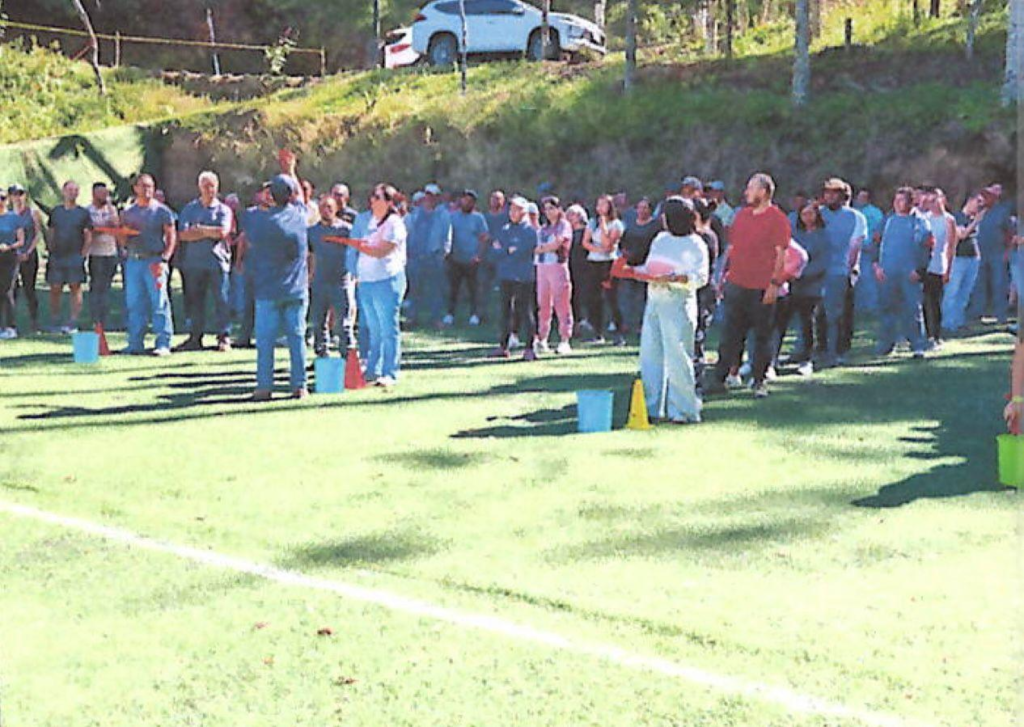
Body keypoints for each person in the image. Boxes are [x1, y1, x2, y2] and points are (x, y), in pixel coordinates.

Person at [617, 196, 708, 424]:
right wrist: (633, 272)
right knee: (650, 356)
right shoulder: (660, 239)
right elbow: (651, 267)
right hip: (654, 302)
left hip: (679, 304)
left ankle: (683, 410)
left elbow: (701, 277)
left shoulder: (695, 243)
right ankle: (651, 407)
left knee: (678, 357)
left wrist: (676, 278)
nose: (662, 219)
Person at [704, 173, 791, 399]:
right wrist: (723, 276)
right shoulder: (741, 216)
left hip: (761, 287)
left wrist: (774, 284)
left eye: (751, 188)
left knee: (762, 336)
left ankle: (759, 380)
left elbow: (782, 254)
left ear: (764, 191)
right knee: (729, 335)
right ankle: (720, 378)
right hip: (736, 284)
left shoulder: (778, 218)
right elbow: (732, 248)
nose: (746, 192)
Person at [244, 174, 310, 400]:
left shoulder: (259, 221)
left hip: (268, 289)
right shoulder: (301, 216)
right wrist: (291, 170)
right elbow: (300, 199)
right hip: (296, 288)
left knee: (265, 342)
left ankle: (264, 387)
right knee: (297, 338)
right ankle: (300, 385)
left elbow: (250, 239)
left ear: (271, 196)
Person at [352, 183, 408, 387]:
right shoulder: (370, 221)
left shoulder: (395, 223)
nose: (372, 200)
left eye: (377, 197)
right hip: (367, 281)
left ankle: (390, 372)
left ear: (389, 202)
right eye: (372, 196)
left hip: (387, 281)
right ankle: (373, 369)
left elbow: (382, 250)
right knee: (373, 329)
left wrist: (358, 245)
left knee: (388, 329)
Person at [175, 171, 234, 352]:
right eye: (206, 186)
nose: (209, 189)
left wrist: (199, 229)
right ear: (199, 187)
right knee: (195, 301)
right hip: (194, 263)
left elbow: (222, 232)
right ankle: (195, 337)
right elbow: (183, 235)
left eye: (212, 186)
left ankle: (224, 336)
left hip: (218, 262)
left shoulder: (224, 210)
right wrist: (209, 232)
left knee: (221, 300)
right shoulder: (190, 209)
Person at [120, 174, 176, 356]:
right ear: (135, 188)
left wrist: (164, 259)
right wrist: (122, 233)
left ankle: (163, 343)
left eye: (150, 186)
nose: (147, 190)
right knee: (134, 303)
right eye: (143, 186)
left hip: (155, 261)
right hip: (134, 261)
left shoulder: (162, 211)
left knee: (159, 302)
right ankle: (135, 343)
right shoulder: (128, 212)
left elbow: (171, 236)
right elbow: (123, 240)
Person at [872, 187, 932, 358]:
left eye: (902, 200)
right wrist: (876, 266)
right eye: (896, 200)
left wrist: (920, 270)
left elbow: (928, 248)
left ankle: (917, 345)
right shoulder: (887, 221)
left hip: (910, 274)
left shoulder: (921, 222)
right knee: (887, 309)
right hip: (887, 273)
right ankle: (886, 345)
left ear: (911, 202)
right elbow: (875, 243)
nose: (897, 203)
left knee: (912, 310)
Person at [818, 178, 867, 367]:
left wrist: (851, 271)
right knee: (819, 314)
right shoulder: (818, 214)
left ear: (843, 196)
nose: (829, 196)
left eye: (834, 193)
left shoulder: (856, 217)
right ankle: (820, 348)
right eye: (827, 192)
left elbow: (855, 246)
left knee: (839, 315)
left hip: (841, 271)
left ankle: (838, 350)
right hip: (819, 271)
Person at [308, 195, 358, 357]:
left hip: (341, 282)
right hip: (319, 282)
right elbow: (310, 255)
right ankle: (322, 356)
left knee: (344, 324)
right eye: (323, 207)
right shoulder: (312, 232)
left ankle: (348, 357)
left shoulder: (346, 230)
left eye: (329, 207)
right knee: (318, 323)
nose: (326, 210)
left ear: (336, 209)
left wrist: (355, 275)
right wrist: (309, 277)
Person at [490, 196, 537, 360]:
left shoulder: (530, 231)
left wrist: (507, 250)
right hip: (506, 275)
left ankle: (530, 348)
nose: (512, 213)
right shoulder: (505, 229)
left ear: (523, 212)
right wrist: (507, 250)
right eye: (511, 209)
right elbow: (495, 251)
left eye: (516, 210)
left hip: (523, 277)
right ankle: (503, 346)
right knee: (505, 311)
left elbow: (521, 252)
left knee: (525, 311)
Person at [46, 180, 93, 333]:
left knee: (75, 287)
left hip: (75, 256)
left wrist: (83, 254)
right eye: (70, 190)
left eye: (75, 190)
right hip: (57, 256)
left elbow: (88, 236)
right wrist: (50, 250)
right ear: (63, 191)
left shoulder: (83, 213)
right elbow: (51, 232)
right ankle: (55, 320)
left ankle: (73, 321)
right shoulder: (56, 212)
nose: (72, 193)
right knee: (55, 287)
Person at [581, 194, 625, 345]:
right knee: (594, 298)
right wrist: (598, 250)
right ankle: (597, 333)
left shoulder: (616, 224)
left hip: (609, 263)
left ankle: (618, 333)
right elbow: (585, 242)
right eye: (598, 204)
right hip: (594, 262)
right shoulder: (592, 222)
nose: (599, 208)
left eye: (603, 204)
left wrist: (604, 225)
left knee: (611, 298)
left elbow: (608, 244)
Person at [405, 183, 451, 329]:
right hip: (415, 257)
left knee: (435, 290)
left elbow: (447, 237)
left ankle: (436, 319)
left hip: (434, 258)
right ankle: (412, 317)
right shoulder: (415, 214)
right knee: (414, 290)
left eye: (432, 195)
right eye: (427, 195)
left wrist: (443, 254)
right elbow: (407, 232)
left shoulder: (443, 214)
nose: (429, 198)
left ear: (437, 197)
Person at [969, 184, 1014, 324]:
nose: (984, 198)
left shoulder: (1002, 212)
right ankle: (977, 313)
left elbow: (1010, 233)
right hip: (979, 253)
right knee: (978, 284)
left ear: (994, 198)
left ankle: (1001, 315)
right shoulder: (978, 211)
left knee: (999, 284)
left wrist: (1008, 252)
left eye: (988, 196)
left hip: (997, 254)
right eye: (983, 195)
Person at [535, 196, 573, 354]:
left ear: (558, 209)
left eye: (552, 208)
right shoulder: (543, 228)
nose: (549, 212)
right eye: (546, 209)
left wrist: (542, 248)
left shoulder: (564, 225)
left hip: (557, 266)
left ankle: (564, 339)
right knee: (543, 304)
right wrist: (543, 249)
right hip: (542, 267)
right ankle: (542, 338)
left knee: (562, 303)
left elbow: (558, 243)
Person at [942, 193, 985, 335]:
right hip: (958, 258)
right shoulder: (957, 217)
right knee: (952, 292)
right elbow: (961, 235)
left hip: (973, 259)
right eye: (978, 201)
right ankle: (947, 324)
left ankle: (959, 322)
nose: (980, 205)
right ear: (970, 200)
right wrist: (976, 221)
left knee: (965, 293)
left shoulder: (973, 219)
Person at [445, 189, 488, 326]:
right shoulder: (452, 217)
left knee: (473, 289)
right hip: (455, 258)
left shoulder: (478, 218)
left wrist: (479, 256)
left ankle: (474, 315)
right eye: (464, 199)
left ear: (474, 203)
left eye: (470, 201)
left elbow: (484, 238)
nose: (466, 203)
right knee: (453, 289)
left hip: (472, 260)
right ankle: (450, 314)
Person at [618, 197, 660, 336]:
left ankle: (642, 325)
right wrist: (624, 252)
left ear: (650, 210)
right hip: (630, 266)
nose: (641, 210)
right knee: (626, 296)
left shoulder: (655, 226)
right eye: (639, 207)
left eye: (645, 208)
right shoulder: (631, 225)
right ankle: (625, 324)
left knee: (642, 297)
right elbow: (623, 242)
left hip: (646, 266)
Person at [921, 188, 957, 348]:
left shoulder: (948, 220)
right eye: (929, 201)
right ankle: (924, 334)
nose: (933, 204)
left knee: (935, 301)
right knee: (923, 301)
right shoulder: (924, 219)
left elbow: (951, 246)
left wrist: (948, 269)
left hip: (938, 264)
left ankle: (935, 334)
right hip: (924, 264)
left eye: (935, 200)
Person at [85, 182, 120, 331]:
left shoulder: (111, 209)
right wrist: (104, 228)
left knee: (106, 287)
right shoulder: (88, 211)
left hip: (110, 253)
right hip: (95, 253)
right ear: (94, 194)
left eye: (106, 193)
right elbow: (90, 230)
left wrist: (110, 208)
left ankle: (105, 319)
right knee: (96, 286)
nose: (104, 196)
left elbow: (116, 225)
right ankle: (95, 319)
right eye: (101, 193)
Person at [9, 185, 42, 332]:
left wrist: (28, 251)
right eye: (14, 194)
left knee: (29, 289)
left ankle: (34, 322)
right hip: (11, 257)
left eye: (20, 194)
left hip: (29, 255)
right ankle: (10, 323)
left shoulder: (32, 213)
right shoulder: (7, 214)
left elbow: (37, 234)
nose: (18, 197)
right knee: (11, 290)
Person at [0, 189, 26, 339]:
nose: (0, 201)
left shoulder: (14, 218)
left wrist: (9, 246)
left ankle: (11, 326)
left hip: (9, 257)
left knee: (7, 290)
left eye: (3, 198)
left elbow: (21, 240)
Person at [566, 203, 589, 335]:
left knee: (583, 294)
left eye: (572, 214)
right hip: (570, 266)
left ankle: (584, 321)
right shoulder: (567, 232)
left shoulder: (586, 232)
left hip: (584, 267)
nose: (569, 217)